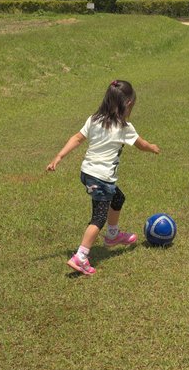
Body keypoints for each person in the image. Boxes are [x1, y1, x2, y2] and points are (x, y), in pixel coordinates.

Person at [46, 79, 160, 275]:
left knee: (118, 198)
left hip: (88, 173)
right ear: (129, 104)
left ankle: (113, 235)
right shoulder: (124, 127)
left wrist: (59, 156)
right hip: (101, 178)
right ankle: (80, 257)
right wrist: (151, 148)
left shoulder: (94, 119)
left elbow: (77, 138)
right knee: (98, 218)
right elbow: (141, 145)